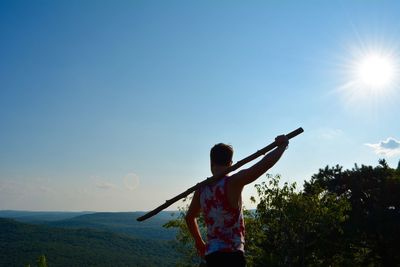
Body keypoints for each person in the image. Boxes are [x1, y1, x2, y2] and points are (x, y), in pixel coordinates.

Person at [185, 135, 289, 267]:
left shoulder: (201, 190)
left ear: (211, 163)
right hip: (233, 255)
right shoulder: (233, 182)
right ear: (230, 163)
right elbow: (263, 165)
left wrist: (199, 242)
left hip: (212, 256)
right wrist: (282, 146)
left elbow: (189, 217)